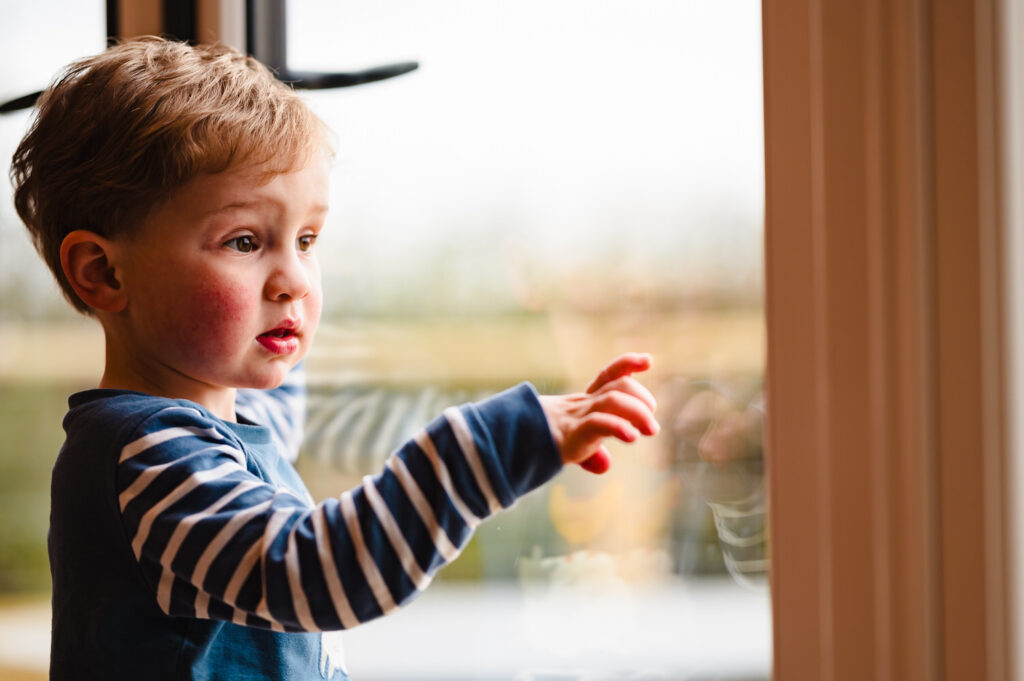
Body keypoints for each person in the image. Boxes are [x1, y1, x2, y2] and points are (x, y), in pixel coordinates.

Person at [9, 37, 660, 680]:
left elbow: (270, 415)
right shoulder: (150, 457)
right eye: (244, 240)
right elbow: (315, 572)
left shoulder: (203, 425)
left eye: (307, 238)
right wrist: (490, 444)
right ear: (104, 273)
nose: (294, 278)